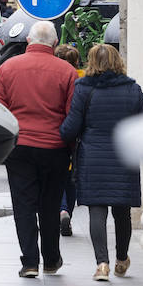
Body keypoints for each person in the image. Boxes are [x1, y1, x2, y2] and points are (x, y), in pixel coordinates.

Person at [0, 20, 78, 277]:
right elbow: (72, 115)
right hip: (55, 148)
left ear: (28, 41)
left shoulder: (8, 69)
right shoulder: (67, 72)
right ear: (55, 43)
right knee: (50, 206)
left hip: (19, 147)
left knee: (23, 205)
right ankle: (51, 260)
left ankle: (29, 262)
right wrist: (69, 146)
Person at [58, 44, 143, 281]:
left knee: (96, 211)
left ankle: (102, 264)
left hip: (93, 158)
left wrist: (59, 133)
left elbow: (71, 127)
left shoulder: (83, 88)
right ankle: (121, 258)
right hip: (124, 156)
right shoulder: (133, 89)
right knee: (122, 212)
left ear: (91, 62)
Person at [53, 44, 82, 237]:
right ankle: (67, 213)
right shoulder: (83, 78)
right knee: (71, 180)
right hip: (76, 137)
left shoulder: (53, 76)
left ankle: (61, 210)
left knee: (56, 178)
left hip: (55, 133)